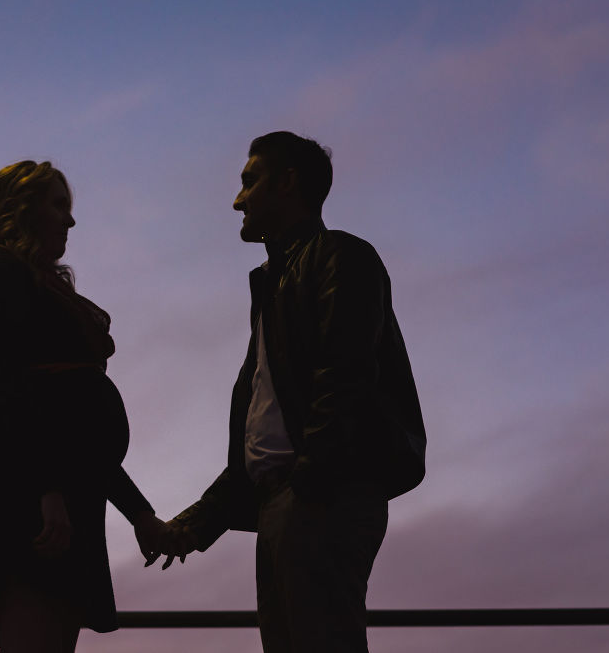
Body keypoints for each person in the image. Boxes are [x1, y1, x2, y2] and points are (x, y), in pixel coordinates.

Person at [153, 132, 427, 652]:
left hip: (315, 499)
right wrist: (199, 521)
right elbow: (262, 432)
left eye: (249, 182)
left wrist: (309, 483)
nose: (238, 200)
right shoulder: (275, 290)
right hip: (290, 501)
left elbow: (344, 377)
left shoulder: (339, 257)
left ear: (288, 183)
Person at [0, 161, 171, 652]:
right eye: (59, 205)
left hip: (61, 483)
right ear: (21, 208)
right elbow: (10, 390)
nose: (70, 221)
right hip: (24, 484)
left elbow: (75, 425)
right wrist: (46, 490)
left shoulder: (37, 282)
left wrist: (138, 512)